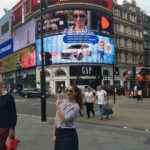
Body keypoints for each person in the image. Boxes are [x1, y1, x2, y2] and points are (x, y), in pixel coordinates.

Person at [52, 85, 83, 150]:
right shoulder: (62, 102)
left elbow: (63, 119)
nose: (68, 92)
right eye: (67, 90)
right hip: (59, 133)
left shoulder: (75, 106)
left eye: (71, 91)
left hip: (68, 134)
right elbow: (56, 119)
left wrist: (57, 106)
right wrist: (54, 135)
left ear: (75, 93)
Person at [0, 81, 17, 150]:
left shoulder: (8, 96)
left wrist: (12, 128)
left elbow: (13, 113)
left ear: (1, 87)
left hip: (5, 127)